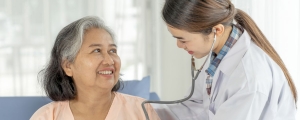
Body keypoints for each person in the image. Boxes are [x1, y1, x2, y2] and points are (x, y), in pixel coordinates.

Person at [155, 0, 297, 120]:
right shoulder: (218, 56)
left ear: (217, 30)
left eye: (182, 39)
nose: (179, 45)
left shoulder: (249, 78)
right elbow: (194, 109)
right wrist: (142, 109)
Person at [30, 16, 160, 120]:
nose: (109, 60)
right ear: (68, 66)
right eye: (97, 50)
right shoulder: (46, 116)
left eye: (112, 50)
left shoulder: (145, 111)